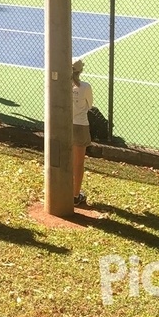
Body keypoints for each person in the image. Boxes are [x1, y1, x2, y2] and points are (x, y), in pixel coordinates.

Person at [71, 57, 93, 206]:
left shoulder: (61, 85)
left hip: (65, 126)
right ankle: (75, 195)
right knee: (78, 163)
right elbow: (90, 105)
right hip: (80, 127)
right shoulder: (85, 87)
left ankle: (66, 190)